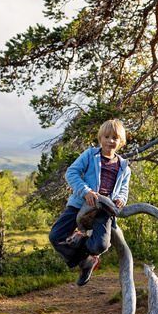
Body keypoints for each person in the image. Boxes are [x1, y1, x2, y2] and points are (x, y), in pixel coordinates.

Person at [49, 120, 131, 286]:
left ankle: (89, 257)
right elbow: (71, 173)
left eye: (115, 138)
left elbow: (124, 189)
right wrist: (85, 191)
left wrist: (120, 199)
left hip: (104, 209)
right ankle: (85, 259)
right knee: (55, 236)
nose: (110, 141)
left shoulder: (123, 167)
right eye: (106, 137)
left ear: (120, 142)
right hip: (80, 203)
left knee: (100, 246)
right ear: (100, 138)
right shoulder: (90, 155)